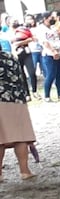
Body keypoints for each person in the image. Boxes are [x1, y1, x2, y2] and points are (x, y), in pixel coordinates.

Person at [0, 48, 37, 180]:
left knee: (1, 140)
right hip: (17, 99)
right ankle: (25, 171)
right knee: (20, 137)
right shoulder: (10, 57)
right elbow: (20, 77)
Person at [35, 14, 60, 101]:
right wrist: (53, 51)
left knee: (59, 74)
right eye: (51, 17)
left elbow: (59, 38)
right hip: (49, 54)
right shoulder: (41, 29)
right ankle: (47, 96)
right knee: (51, 74)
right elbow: (44, 42)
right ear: (45, 18)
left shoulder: (53, 27)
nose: (53, 19)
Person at [13, 16, 40, 96]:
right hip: (15, 54)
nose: (14, 22)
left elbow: (32, 38)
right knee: (21, 74)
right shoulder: (7, 32)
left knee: (32, 72)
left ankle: (34, 91)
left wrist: (21, 43)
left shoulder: (23, 30)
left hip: (27, 52)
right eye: (13, 21)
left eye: (15, 20)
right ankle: (26, 93)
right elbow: (12, 43)